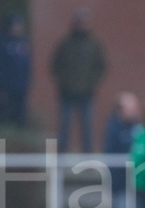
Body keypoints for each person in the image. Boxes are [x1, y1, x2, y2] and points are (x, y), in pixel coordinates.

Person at [51, 7, 107, 153]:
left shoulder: (94, 45)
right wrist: (64, 82)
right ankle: (62, 152)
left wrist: (91, 83)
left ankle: (87, 153)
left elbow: (101, 66)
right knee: (65, 124)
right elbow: (56, 65)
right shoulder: (66, 44)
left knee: (87, 125)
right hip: (67, 92)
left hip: (86, 92)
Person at [103, 92, 140, 208]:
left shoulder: (136, 128)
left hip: (136, 182)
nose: (134, 111)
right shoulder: (114, 129)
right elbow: (111, 156)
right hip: (121, 183)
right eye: (130, 108)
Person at [0, 14, 31, 126]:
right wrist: (0, 88)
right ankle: (1, 139)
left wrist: (26, 84)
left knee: (19, 121)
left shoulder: (22, 44)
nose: (19, 28)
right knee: (2, 120)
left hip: (19, 89)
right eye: (16, 25)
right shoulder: (0, 44)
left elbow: (26, 66)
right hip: (5, 90)